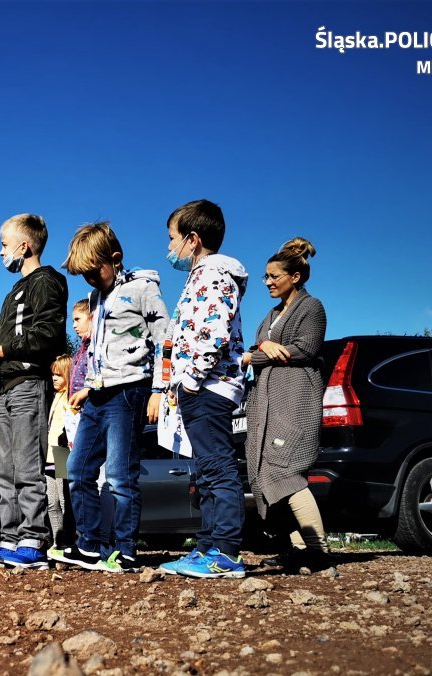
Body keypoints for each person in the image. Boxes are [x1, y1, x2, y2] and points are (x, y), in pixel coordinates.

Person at [54, 222, 169, 573]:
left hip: (130, 391)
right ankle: (88, 545)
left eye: (93, 271)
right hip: (98, 394)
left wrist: (159, 390)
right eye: (83, 274)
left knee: (120, 474)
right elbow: (99, 351)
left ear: (115, 259)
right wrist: (88, 385)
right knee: (77, 469)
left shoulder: (143, 289)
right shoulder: (95, 298)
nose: (89, 279)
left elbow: (166, 339)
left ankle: (125, 549)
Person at [0, 214, 68, 569]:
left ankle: (34, 540)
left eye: (5, 244)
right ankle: (10, 541)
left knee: (27, 467)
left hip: (27, 386)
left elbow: (47, 336)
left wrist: (0, 351)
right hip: (3, 389)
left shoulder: (48, 281)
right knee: (3, 473)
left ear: (24, 247)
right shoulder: (13, 292)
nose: (0, 252)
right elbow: (4, 343)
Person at [157, 199, 248, 579]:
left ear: (192, 240)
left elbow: (214, 331)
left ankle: (225, 551)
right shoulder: (199, 277)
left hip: (209, 386)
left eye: (172, 239)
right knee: (205, 470)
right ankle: (209, 546)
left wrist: (190, 379)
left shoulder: (213, 276)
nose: (169, 248)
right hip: (198, 386)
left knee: (217, 467)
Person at [244, 238, 329, 570]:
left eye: (273, 276)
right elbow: (254, 354)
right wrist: (266, 348)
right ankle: (298, 550)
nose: (267, 282)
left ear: (295, 276)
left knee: (287, 471)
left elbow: (305, 348)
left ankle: (319, 550)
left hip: (295, 401)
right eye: (265, 276)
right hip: (266, 404)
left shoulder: (312, 307)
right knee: (267, 475)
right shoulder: (270, 316)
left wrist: (264, 352)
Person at [45, 354, 76, 551]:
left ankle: (68, 540)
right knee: (51, 501)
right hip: (49, 454)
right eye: (53, 374)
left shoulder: (71, 397)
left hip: (62, 452)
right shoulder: (54, 396)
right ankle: (57, 541)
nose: (54, 378)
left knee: (65, 500)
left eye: (59, 375)